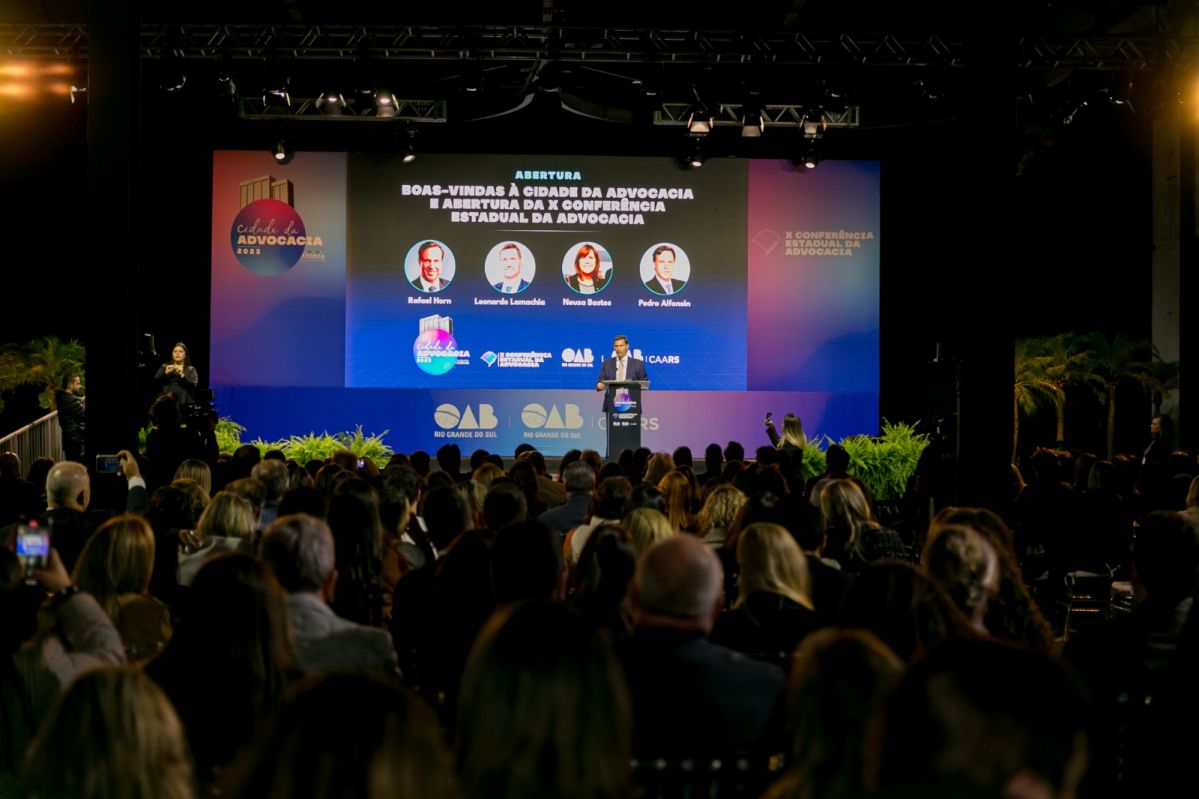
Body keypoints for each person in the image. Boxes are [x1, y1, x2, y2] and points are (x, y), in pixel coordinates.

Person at [595, 334, 647, 412]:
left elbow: (644, 382)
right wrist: (599, 385)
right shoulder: (607, 364)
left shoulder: (638, 364)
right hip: (611, 404)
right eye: (616, 346)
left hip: (631, 404)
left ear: (627, 346)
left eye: (621, 345)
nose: (618, 348)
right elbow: (599, 382)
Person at [153, 342, 199, 407]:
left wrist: (182, 376)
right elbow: (155, 384)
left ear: (185, 355)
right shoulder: (164, 367)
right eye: (175, 351)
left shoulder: (191, 369)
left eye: (180, 351)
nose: (177, 353)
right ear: (172, 354)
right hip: (164, 402)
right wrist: (165, 373)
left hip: (183, 403)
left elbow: (192, 387)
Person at [55, 372, 86, 462]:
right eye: (78, 384)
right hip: (75, 440)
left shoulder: (65, 397)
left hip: (71, 440)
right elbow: (83, 415)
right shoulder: (69, 400)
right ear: (69, 385)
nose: (80, 386)